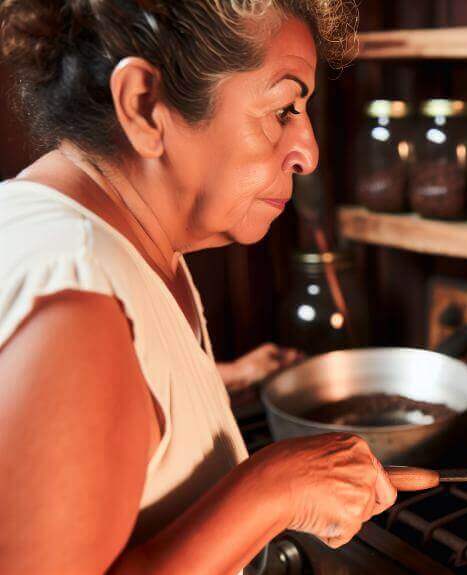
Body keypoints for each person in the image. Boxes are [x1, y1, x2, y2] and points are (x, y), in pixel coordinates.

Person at [0, 1, 397, 573]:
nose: (306, 152)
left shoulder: (121, 241)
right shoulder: (78, 306)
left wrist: (220, 380)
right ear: (144, 106)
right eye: (285, 106)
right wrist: (272, 490)